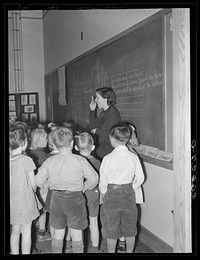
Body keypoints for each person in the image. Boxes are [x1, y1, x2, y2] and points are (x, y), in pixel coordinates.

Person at [34, 126, 99, 253]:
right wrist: (85, 187)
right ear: (72, 143)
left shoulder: (50, 161)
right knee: (77, 235)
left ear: (54, 145)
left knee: (58, 235)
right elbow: (94, 179)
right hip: (76, 199)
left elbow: (38, 181)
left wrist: (49, 184)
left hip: (56, 200)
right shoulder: (80, 160)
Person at [99, 123, 145, 253]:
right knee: (130, 226)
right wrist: (132, 186)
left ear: (111, 139)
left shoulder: (108, 158)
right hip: (128, 192)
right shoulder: (133, 157)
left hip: (111, 192)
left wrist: (103, 192)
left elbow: (103, 181)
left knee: (111, 226)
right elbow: (140, 178)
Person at [9, 127, 42, 254]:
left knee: (15, 231)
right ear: (23, 143)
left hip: (12, 202)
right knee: (27, 232)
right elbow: (33, 184)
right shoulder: (27, 160)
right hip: (25, 201)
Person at [74, 132, 103, 253]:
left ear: (76, 148)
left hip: (78, 194)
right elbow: (101, 181)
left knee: (78, 224)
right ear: (93, 147)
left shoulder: (75, 161)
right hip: (93, 194)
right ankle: (96, 250)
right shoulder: (97, 162)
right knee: (94, 223)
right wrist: (101, 194)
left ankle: (78, 248)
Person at [116, 124, 142, 253]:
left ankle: (122, 242)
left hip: (125, 190)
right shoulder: (131, 154)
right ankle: (123, 242)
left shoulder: (127, 153)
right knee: (128, 218)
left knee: (124, 218)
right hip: (129, 189)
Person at [27, 128, 51, 242]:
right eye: (45, 138)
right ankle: (42, 233)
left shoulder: (28, 153)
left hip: (31, 186)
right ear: (40, 140)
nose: (47, 140)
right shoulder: (43, 155)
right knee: (43, 210)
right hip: (42, 187)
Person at [89, 87, 121, 160]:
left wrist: (97, 131)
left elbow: (111, 135)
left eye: (97, 98)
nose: (96, 100)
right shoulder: (104, 113)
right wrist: (92, 110)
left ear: (105, 99)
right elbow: (92, 127)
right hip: (100, 150)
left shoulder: (112, 114)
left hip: (107, 153)